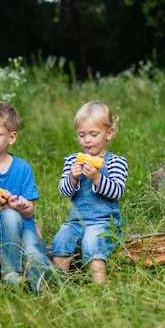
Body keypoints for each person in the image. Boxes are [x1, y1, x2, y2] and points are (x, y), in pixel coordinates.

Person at [0, 101, 63, 293]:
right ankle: (11, 274)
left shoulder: (23, 168)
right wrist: (7, 207)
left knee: (33, 249)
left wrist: (22, 205)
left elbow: (29, 212)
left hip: (25, 228)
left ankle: (46, 281)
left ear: (12, 138)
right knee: (9, 216)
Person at [51, 101, 128, 283]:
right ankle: (58, 283)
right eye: (81, 135)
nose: (87, 140)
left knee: (93, 239)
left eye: (93, 134)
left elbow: (117, 192)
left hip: (103, 222)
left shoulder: (116, 162)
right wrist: (72, 178)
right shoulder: (71, 161)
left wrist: (97, 178)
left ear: (109, 133)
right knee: (62, 236)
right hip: (76, 221)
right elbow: (63, 191)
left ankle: (98, 286)